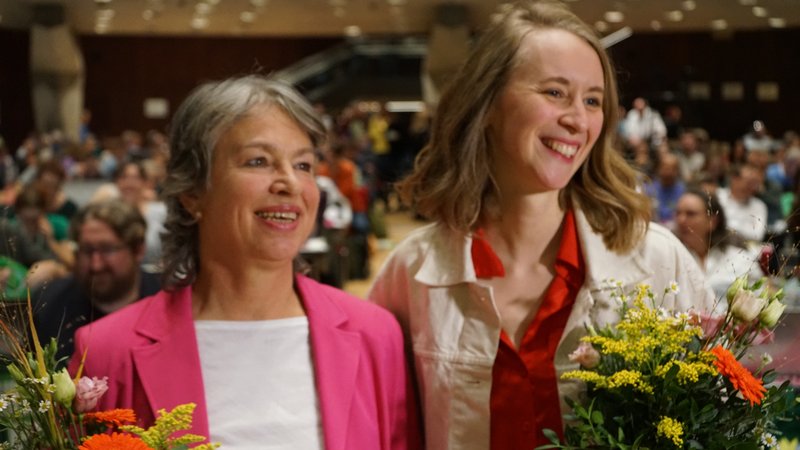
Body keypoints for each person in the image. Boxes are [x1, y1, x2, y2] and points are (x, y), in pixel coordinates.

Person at [368, 1, 714, 449]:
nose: (577, 118)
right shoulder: (413, 273)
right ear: (487, 103)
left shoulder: (657, 261)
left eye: (593, 100)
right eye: (555, 93)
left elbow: (717, 416)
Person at [69, 75, 418, 449]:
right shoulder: (107, 354)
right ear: (192, 191)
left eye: (303, 165)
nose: (289, 182)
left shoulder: (375, 336)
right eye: (259, 161)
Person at [34, 200, 160, 361]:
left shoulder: (167, 304)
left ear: (138, 250)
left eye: (107, 249)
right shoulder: (50, 305)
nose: (96, 264)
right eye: (87, 250)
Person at [673, 188, 763, 302]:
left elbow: (756, 306)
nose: (681, 220)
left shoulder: (741, 261)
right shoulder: (670, 258)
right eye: (678, 213)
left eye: (690, 214)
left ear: (713, 221)